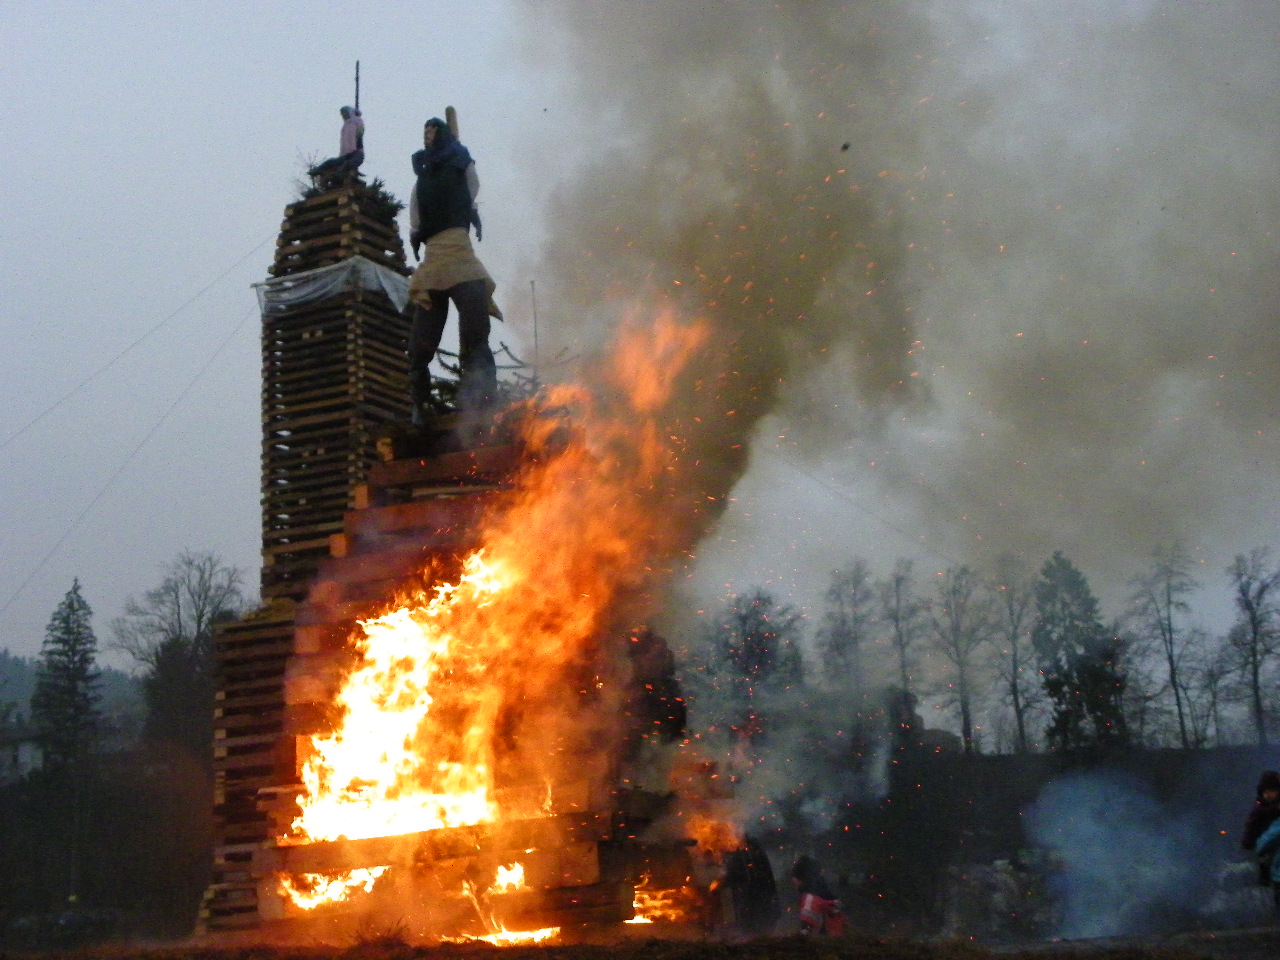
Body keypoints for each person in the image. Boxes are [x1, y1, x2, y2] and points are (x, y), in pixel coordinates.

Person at [405, 116, 500, 418]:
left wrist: (464, 208)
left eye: (432, 130)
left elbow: (472, 187)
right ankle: (419, 407)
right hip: (434, 259)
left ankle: (481, 401)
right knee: (421, 343)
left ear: (442, 133)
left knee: (475, 333)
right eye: (424, 130)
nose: (427, 135)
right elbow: (416, 216)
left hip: (458, 253)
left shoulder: (460, 163)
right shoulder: (423, 176)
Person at [717, 835, 781, 940]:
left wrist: (721, 882)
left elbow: (734, 875)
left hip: (754, 900)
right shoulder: (755, 854)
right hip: (759, 899)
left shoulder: (745, 855)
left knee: (753, 929)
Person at [309, 106, 365, 186]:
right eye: (342, 114)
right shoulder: (346, 126)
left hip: (356, 152)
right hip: (346, 154)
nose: (343, 115)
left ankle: (340, 173)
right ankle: (319, 170)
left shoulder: (356, 122)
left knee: (348, 164)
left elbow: (359, 133)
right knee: (331, 161)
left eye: (344, 113)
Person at [792, 854, 845, 936]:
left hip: (823, 941)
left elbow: (805, 932)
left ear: (800, 879)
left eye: (795, 878)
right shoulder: (827, 895)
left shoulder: (809, 900)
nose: (794, 883)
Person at [1242, 770, 1280, 885]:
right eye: (1266, 791)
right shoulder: (1260, 810)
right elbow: (1251, 827)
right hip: (1265, 845)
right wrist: (1248, 842)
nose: (1268, 794)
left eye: (1272, 791)